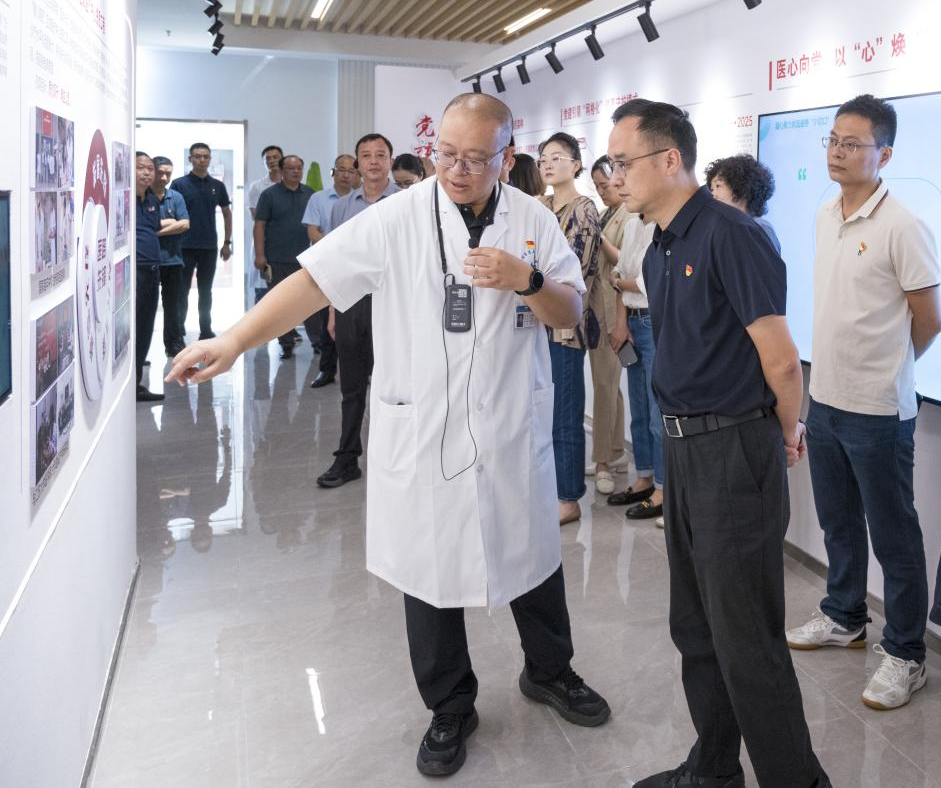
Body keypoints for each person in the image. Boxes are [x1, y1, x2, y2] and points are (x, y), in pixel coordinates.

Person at [167, 93, 610, 778]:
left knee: (532, 554)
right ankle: (450, 705)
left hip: (509, 426)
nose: (457, 170)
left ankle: (550, 671)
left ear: (507, 158)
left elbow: (571, 309)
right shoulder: (398, 217)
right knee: (428, 570)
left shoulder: (532, 219)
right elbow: (313, 282)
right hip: (423, 426)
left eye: (476, 159)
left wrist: (525, 280)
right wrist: (235, 339)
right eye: (447, 154)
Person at [608, 99, 830, 788]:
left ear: (669, 159)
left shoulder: (733, 235)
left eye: (623, 161)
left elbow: (782, 360)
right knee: (697, 626)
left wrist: (785, 432)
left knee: (747, 640)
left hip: (734, 449)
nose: (615, 175)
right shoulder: (661, 243)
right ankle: (713, 768)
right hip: (684, 451)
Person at [784, 94, 941, 712]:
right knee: (838, 522)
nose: (838, 152)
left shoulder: (903, 225)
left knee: (894, 536)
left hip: (878, 410)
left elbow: (928, 321)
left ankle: (906, 652)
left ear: (885, 154)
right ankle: (845, 616)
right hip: (825, 397)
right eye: (832, 140)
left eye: (853, 144)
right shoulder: (826, 213)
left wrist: (890, 368)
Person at [315, 133, 399, 488]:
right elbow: (334, 262)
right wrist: (333, 311)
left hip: (394, 306)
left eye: (380, 155)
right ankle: (347, 458)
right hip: (351, 304)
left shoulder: (406, 203)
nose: (374, 161)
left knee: (393, 388)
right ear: (357, 164)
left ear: (390, 161)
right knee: (351, 388)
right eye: (366, 155)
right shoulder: (342, 207)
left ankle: (392, 459)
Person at [539, 132, 602, 525]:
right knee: (541, 412)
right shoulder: (540, 205)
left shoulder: (584, 209)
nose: (548, 164)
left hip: (566, 326)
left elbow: (573, 269)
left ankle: (568, 496)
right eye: (543, 158)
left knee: (565, 413)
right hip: (534, 323)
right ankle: (549, 488)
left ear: (576, 164)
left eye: (557, 157)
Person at [605, 203, 664, 521]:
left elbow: (645, 283)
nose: (621, 184)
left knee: (657, 414)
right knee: (639, 410)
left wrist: (619, 281)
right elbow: (620, 273)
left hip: (655, 322)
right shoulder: (631, 226)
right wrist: (621, 322)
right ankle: (644, 477)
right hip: (633, 321)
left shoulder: (663, 226)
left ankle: (663, 488)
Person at [588, 155, 629, 494]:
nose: (602, 191)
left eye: (605, 185)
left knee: (604, 384)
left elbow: (625, 262)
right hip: (598, 308)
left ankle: (603, 461)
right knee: (609, 385)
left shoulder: (630, 214)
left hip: (614, 311)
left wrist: (597, 237)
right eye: (598, 187)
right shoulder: (606, 213)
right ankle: (616, 452)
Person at [299, 154, 357, 387]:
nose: (345, 174)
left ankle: (361, 371)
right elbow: (312, 231)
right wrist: (335, 249)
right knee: (327, 321)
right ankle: (326, 370)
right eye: (341, 169)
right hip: (329, 265)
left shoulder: (361, 199)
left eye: (350, 170)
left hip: (355, 266)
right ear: (333, 172)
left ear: (356, 174)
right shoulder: (318, 198)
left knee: (356, 321)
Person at [253, 154, 315, 359]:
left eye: (299, 168)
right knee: (281, 304)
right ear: (282, 171)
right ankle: (286, 343)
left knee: (305, 303)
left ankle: (317, 342)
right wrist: (260, 255)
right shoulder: (269, 195)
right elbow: (259, 225)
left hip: (304, 259)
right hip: (276, 258)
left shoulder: (310, 194)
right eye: (290, 168)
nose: (295, 171)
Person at [171, 142, 233, 341]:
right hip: (184, 246)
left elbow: (227, 213)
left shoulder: (217, 186)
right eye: (197, 156)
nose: (202, 160)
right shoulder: (179, 184)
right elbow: (171, 214)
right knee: (182, 291)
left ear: (210, 159)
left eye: (205, 156)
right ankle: (178, 330)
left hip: (208, 247)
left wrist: (227, 242)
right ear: (190, 159)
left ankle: (206, 330)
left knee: (206, 292)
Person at [133, 152, 166, 402]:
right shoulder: (124, 198)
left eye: (150, 169)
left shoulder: (152, 199)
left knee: (145, 327)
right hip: (132, 272)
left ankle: (136, 384)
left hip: (152, 270)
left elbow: (154, 229)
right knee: (131, 328)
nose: (146, 173)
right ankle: (129, 385)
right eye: (140, 168)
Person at [152, 156, 190, 357]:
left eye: (168, 174)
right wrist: (170, 223)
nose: (164, 178)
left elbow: (184, 224)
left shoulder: (176, 197)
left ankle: (174, 344)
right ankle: (141, 349)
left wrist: (155, 231)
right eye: (160, 173)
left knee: (174, 306)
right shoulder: (143, 197)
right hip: (148, 260)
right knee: (146, 307)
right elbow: (140, 225)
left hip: (173, 260)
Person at [706, 154, 781, 252]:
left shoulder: (760, 228)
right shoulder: (725, 228)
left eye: (718, 186)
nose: (713, 194)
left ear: (740, 188)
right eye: (712, 189)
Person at [247, 145, 283, 305]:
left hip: (286, 245)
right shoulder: (257, 186)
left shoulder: (291, 185)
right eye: (268, 158)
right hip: (264, 242)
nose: (272, 161)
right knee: (263, 293)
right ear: (263, 162)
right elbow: (257, 216)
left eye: (275, 157)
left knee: (284, 293)